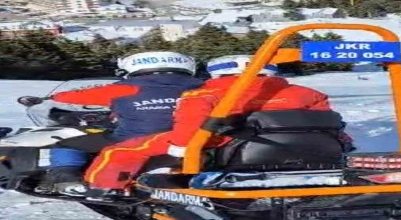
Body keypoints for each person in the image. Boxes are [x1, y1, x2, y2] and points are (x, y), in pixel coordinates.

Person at [84, 54, 335, 190]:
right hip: (310, 146)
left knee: (121, 150)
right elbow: (326, 120)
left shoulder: (206, 93)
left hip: (229, 144)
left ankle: (104, 187)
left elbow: (189, 126)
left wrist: (181, 149)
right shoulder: (306, 93)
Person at [40, 51, 203, 194]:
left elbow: (77, 95)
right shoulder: (202, 86)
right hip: (194, 141)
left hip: (136, 139)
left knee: (67, 144)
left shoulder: (124, 88)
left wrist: (50, 98)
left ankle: (66, 178)